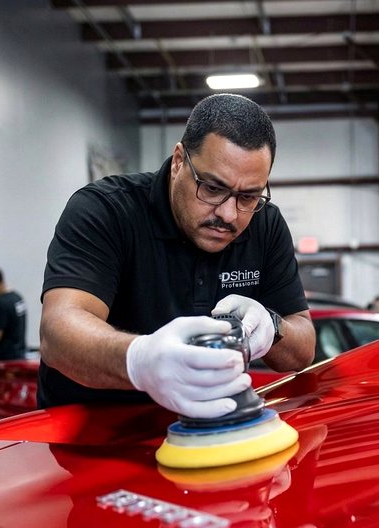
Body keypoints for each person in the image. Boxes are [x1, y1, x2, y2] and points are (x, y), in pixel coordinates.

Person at [38, 93, 316, 419]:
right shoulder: (106, 210)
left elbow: (303, 348)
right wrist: (139, 360)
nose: (228, 214)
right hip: (90, 435)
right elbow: (58, 334)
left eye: (248, 196)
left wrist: (271, 326)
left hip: (207, 433)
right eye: (212, 188)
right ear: (179, 161)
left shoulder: (265, 224)